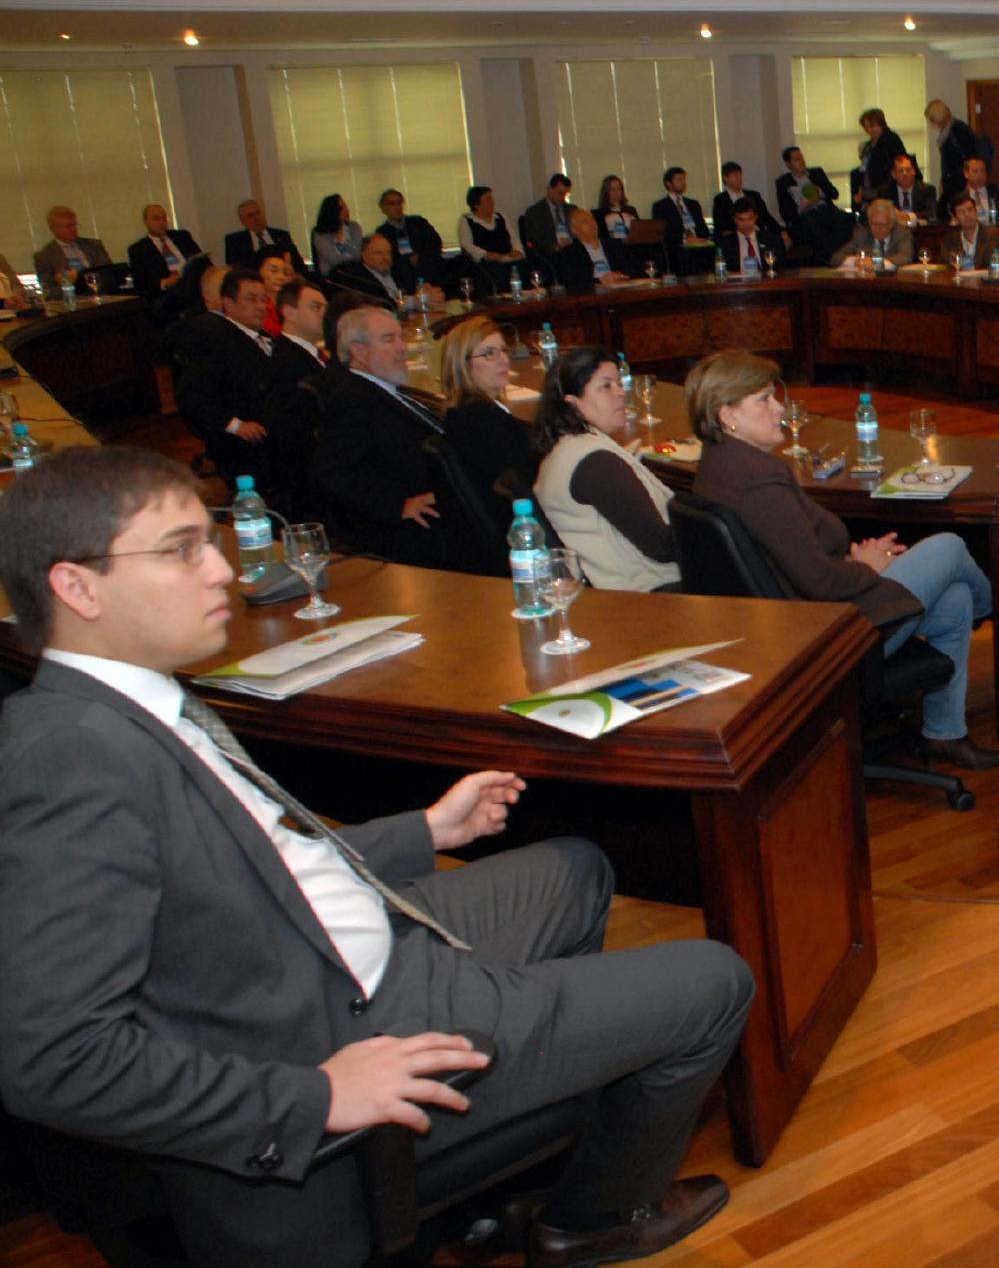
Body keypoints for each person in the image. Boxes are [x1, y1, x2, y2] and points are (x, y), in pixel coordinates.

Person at [0, 445, 753, 1268]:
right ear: (77, 587)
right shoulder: (71, 757)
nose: (222, 569)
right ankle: (592, 1218)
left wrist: (425, 830)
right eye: (181, 550)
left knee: (577, 867)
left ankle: (519, 1137)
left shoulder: (134, 701)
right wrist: (316, 1095)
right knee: (716, 981)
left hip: (339, 949)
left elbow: (255, 867)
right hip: (342, 1020)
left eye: (208, 541)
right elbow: (51, 1060)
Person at [686, 351, 999, 771]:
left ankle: (944, 734)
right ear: (727, 414)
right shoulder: (758, 482)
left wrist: (854, 560)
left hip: (801, 617)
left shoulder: (721, 465)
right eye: (764, 399)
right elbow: (818, 582)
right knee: (948, 545)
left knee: (955, 598)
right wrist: (866, 567)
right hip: (829, 633)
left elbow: (798, 558)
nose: (779, 408)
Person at [312, 306, 491, 573]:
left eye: (400, 338)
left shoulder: (382, 388)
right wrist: (397, 506)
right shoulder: (354, 399)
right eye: (388, 340)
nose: (402, 348)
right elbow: (329, 471)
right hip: (422, 530)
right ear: (358, 351)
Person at [531, 347, 682, 593]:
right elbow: (662, 547)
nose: (621, 392)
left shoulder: (566, 447)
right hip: (643, 592)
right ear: (572, 403)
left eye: (619, 383)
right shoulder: (596, 463)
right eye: (606, 386)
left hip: (617, 586)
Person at [173, 267, 280, 487]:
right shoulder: (214, 337)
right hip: (250, 442)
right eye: (251, 299)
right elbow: (191, 396)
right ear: (228, 304)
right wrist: (235, 425)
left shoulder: (262, 337)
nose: (261, 306)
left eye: (264, 299)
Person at [439, 314, 538, 518]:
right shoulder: (479, 420)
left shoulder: (469, 410)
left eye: (503, 350)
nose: (504, 359)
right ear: (463, 364)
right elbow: (525, 478)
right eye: (489, 353)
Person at [262, 278, 334, 514]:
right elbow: (293, 431)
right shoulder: (286, 362)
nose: (324, 314)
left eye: (325, 307)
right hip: (312, 473)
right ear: (289, 313)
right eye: (316, 307)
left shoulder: (309, 352)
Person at [127, 203, 206, 319]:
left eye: (164, 218)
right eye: (156, 219)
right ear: (146, 222)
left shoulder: (182, 237)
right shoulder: (139, 250)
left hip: (194, 282)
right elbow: (141, 284)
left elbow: (201, 260)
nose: (162, 222)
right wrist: (164, 282)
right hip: (170, 293)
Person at [330, 232, 438, 305]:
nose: (386, 258)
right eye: (379, 253)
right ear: (364, 255)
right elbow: (381, 304)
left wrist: (428, 293)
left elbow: (415, 290)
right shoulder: (358, 277)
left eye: (388, 253)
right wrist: (413, 301)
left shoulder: (398, 269)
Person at [32, 205, 114, 297]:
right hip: (73, 300)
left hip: (103, 295)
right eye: (67, 226)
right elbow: (49, 293)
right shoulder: (44, 257)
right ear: (53, 229)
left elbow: (109, 273)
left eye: (74, 225)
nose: (73, 229)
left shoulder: (94, 246)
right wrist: (68, 283)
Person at [372, 189, 446, 289]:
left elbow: (435, 243)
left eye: (399, 203)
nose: (397, 207)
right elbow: (386, 257)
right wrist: (407, 260)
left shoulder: (418, 222)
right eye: (391, 204)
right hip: (403, 276)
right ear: (383, 208)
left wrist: (420, 256)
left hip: (428, 269)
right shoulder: (382, 232)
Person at [458, 185, 524, 292]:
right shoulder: (467, 221)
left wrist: (517, 250)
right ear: (476, 205)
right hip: (486, 264)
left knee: (523, 267)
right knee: (496, 273)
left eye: (491, 199)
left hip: (508, 259)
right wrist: (486, 254)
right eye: (488, 199)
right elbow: (467, 245)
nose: (492, 202)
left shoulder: (501, 217)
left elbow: (514, 238)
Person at [553, 207, 634, 291]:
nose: (592, 224)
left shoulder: (614, 245)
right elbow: (574, 281)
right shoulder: (569, 254)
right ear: (574, 229)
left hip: (620, 289)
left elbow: (630, 270)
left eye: (592, 219)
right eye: (585, 221)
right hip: (591, 293)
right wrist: (601, 280)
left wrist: (619, 275)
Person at [710, 161, 785, 248]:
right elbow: (720, 228)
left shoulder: (754, 196)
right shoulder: (720, 200)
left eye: (740, 174)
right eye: (735, 175)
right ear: (726, 178)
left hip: (759, 235)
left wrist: (782, 231)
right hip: (736, 239)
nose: (739, 178)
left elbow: (767, 217)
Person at [224, 198, 308, 274]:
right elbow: (234, 270)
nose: (256, 218)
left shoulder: (282, 235)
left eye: (258, 213)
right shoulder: (235, 241)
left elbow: (299, 265)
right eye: (250, 216)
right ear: (242, 221)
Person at [653, 166, 711, 271]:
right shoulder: (660, 206)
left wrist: (701, 238)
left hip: (699, 248)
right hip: (678, 251)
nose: (683, 182)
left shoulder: (693, 204)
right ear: (668, 183)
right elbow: (663, 234)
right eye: (679, 180)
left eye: (684, 179)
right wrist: (685, 240)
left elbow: (703, 228)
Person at [829, 198, 914, 268]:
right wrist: (856, 261)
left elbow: (905, 257)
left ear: (891, 224)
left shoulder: (902, 234)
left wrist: (876, 263)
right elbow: (836, 258)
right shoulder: (861, 235)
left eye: (882, 224)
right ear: (869, 222)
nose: (878, 229)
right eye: (874, 224)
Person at [925, 98, 981, 199]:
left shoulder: (958, 129)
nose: (932, 124)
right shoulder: (946, 131)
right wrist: (943, 180)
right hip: (951, 181)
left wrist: (969, 181)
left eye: (932, 120)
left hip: (961, 182)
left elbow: (970, 157)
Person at [941, 191, 999, 270]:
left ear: (976, 211)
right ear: (955, 218)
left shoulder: (996, 236)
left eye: (970, 209)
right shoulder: (949, 242)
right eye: (961, 212)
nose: (967, 215)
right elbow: (947, 269)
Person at [856, 108, 909, 205]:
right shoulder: (868, 145)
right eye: (866, 127)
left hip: (886, 190)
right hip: (872, 190)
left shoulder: (891, 139)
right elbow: (864, 168)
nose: (869, 130)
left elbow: (898, 163)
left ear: (881, 124)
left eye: (872, 126)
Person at [521, 173, 576, 259]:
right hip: (550, 255)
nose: (563, 197)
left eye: (565, 194)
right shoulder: (534, 212)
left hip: (573, 252)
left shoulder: (572, 210)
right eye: (560, 193)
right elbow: (534, 240)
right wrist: (556, 247)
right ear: (549, 190)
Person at [309, 194, 364, 279]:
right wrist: (349, 257)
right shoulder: (320, 233)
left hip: (354, 273)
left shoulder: (354, 227)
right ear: (333, 211)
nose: (347, 210)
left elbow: (357, 253)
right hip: (331, 276)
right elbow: (332, 258)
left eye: (346, 207)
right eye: (342, 208)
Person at [719, 201, 779, 276]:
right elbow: (721, 271)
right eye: (741, 220)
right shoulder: (726, 243)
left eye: (750, 219)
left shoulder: (770, 239)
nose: (746, 224)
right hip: (738, 281)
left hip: (766, 280)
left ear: (755, 218)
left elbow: (780, 267)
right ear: (735, 219)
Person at [879, 154, 937, 225]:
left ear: (914, 171)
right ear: (893, 174)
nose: (905, 173)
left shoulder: (927, 190)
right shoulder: (884, 192)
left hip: (920, 229)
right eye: (901, 171)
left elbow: (932, 213)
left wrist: (906, 216)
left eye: (908, 170)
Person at [960, 155, 999, 224]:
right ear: (966, 174)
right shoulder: (961, 198)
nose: (980, 175)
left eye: (983, 171)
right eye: (975, 171)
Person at [595, 174, 639, 246]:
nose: (617, 192)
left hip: (634, 247)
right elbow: (603, 237)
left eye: (619, 188)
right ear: (606, 192)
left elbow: (639, 230)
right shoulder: (600, 213)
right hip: (615, 247)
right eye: (613, 189)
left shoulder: (631, 210)